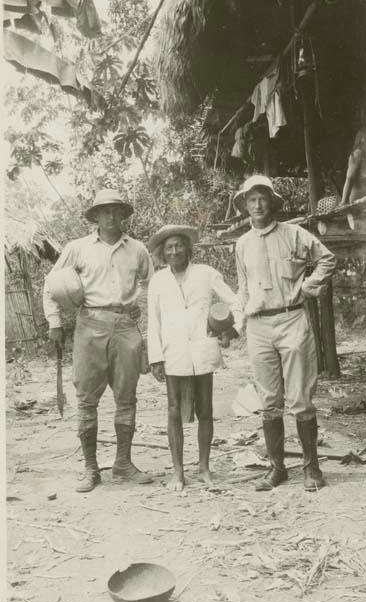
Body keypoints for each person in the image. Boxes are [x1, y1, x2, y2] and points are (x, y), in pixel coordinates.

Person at [43, 189, 153, 492]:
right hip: (90, 323)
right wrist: (54, 323)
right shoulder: (78, 248)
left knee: (127, 397)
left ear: (124, 214)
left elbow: (152, 284)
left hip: (126, 327)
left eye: (116, 210)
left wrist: (139, 304)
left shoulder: (138, 249)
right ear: (95, 216)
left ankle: (123, 464)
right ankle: (91, 469)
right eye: (104, 211)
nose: (111, 216)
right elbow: (51, 284)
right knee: (86, 399)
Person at [234, 175, 336, 492]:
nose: (258, 204)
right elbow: (243, 288)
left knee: (301, 398)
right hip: (259, 325)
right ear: (245, 205)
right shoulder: (242, 244)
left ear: (272, 202)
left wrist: (307, 287)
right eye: (251, 199)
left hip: (292, 319)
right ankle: (277, 469)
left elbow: (326, 259)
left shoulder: (294, 234)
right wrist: (238, 322)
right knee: (268, 401)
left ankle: (311, 469)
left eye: (262, 197)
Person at [147, 225, 243, 491]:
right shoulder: (158, 281)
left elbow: (235, 302)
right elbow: (153, 322)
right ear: (162, 253)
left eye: (179, 245)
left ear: (188, 248)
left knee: (205, 411)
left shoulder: (206, 274)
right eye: (169, 247)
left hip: (202, 349)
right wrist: (155, 357)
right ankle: (178, 472)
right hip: (173, 352)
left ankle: (204, 467)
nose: (175, 251)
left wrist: (231, 330)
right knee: (174, 411)